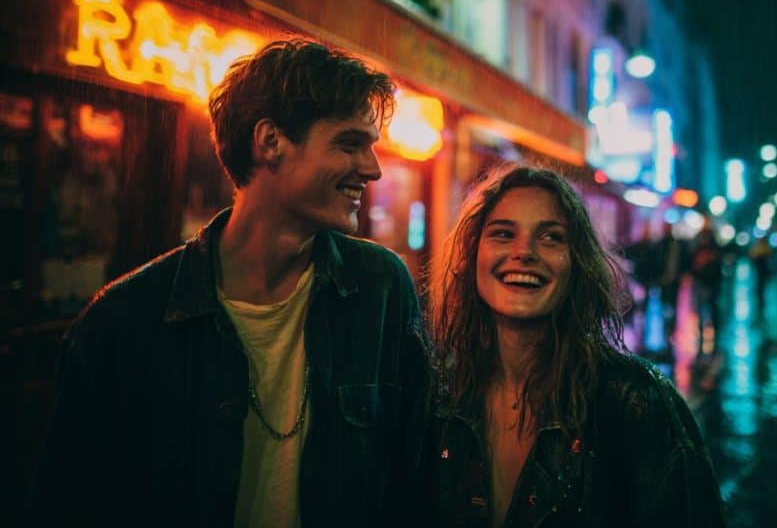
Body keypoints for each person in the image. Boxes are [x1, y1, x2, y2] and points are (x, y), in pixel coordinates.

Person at [25, 39, 432, 526]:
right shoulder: (124, 322)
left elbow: (416, 478)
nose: (372, 168)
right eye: (349, 144)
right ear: (271, 142)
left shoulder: (381, 290)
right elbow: (67, 505)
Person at [427, 164, 725, 526]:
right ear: (474, 255)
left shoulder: (636, 401)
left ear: (578, 263)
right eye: (503, 234)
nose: (524, 252)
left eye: (551, 237)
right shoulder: (442, 395)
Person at [690, 225, 723, 358]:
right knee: (701, 314)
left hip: (711, 286)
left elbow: (717, 269)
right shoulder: (698, 250)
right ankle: (702, 340)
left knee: (712, 313)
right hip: (701, 285)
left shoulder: (714, 251)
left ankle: (713, 342)